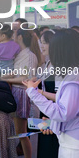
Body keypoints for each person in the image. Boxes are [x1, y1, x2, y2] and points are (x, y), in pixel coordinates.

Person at [23, 29, 79, 157]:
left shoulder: (72, 78)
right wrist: (53, 123)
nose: (42, 46)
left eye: (48, 44)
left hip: (73, 145)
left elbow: (62, 113)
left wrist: (33, 92)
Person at [2, 29, 40, 158]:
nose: (12, 38)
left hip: (22, 93)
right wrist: (2, 77)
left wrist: (6, 79)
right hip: (15, 92)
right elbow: (16, 73)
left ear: (20, 37)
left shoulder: (29, 55)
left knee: (21, 132)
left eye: (14, 35)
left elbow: (26, 78)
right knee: (19, 131)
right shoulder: (21, 53)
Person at [35, 30, 59, 158]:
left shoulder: (59, 65)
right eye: (41, 43)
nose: (41, 46)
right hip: (45, 109)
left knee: (52, 146)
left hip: (55, 111)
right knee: (45, 144)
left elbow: (61, 96)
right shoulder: (48, 62)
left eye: (45, 43)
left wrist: (39, 92)